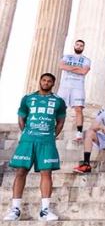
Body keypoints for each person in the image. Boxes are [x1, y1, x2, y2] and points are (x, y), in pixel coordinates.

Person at [3, 73, 66, 222]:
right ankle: (15, 210)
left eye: (49, 81)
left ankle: (44, 211)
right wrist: (26, 132)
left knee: (47, 173)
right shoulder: (28, 98)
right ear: (40, 81)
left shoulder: (58, 101)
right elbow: (21, 117)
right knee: (20, 171)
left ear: (53, 84)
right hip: (28, 140)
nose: (46, 83)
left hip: (46, 141)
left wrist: (51, 135)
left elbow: (61, 122)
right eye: (44, 80)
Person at [57, 39, 91, 142]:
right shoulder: (67, 56)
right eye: (78, 45)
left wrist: (69, 67)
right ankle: (55, 131)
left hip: (78, 86)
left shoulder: (86, 60)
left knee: (78, 109)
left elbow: (84, 71)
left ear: (83, 48)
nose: (79, 47)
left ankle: (79, 133)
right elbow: (61, 66)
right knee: (59, 108)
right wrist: (76, 68)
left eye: (81, 45)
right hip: (65, 85)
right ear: (74, 46)